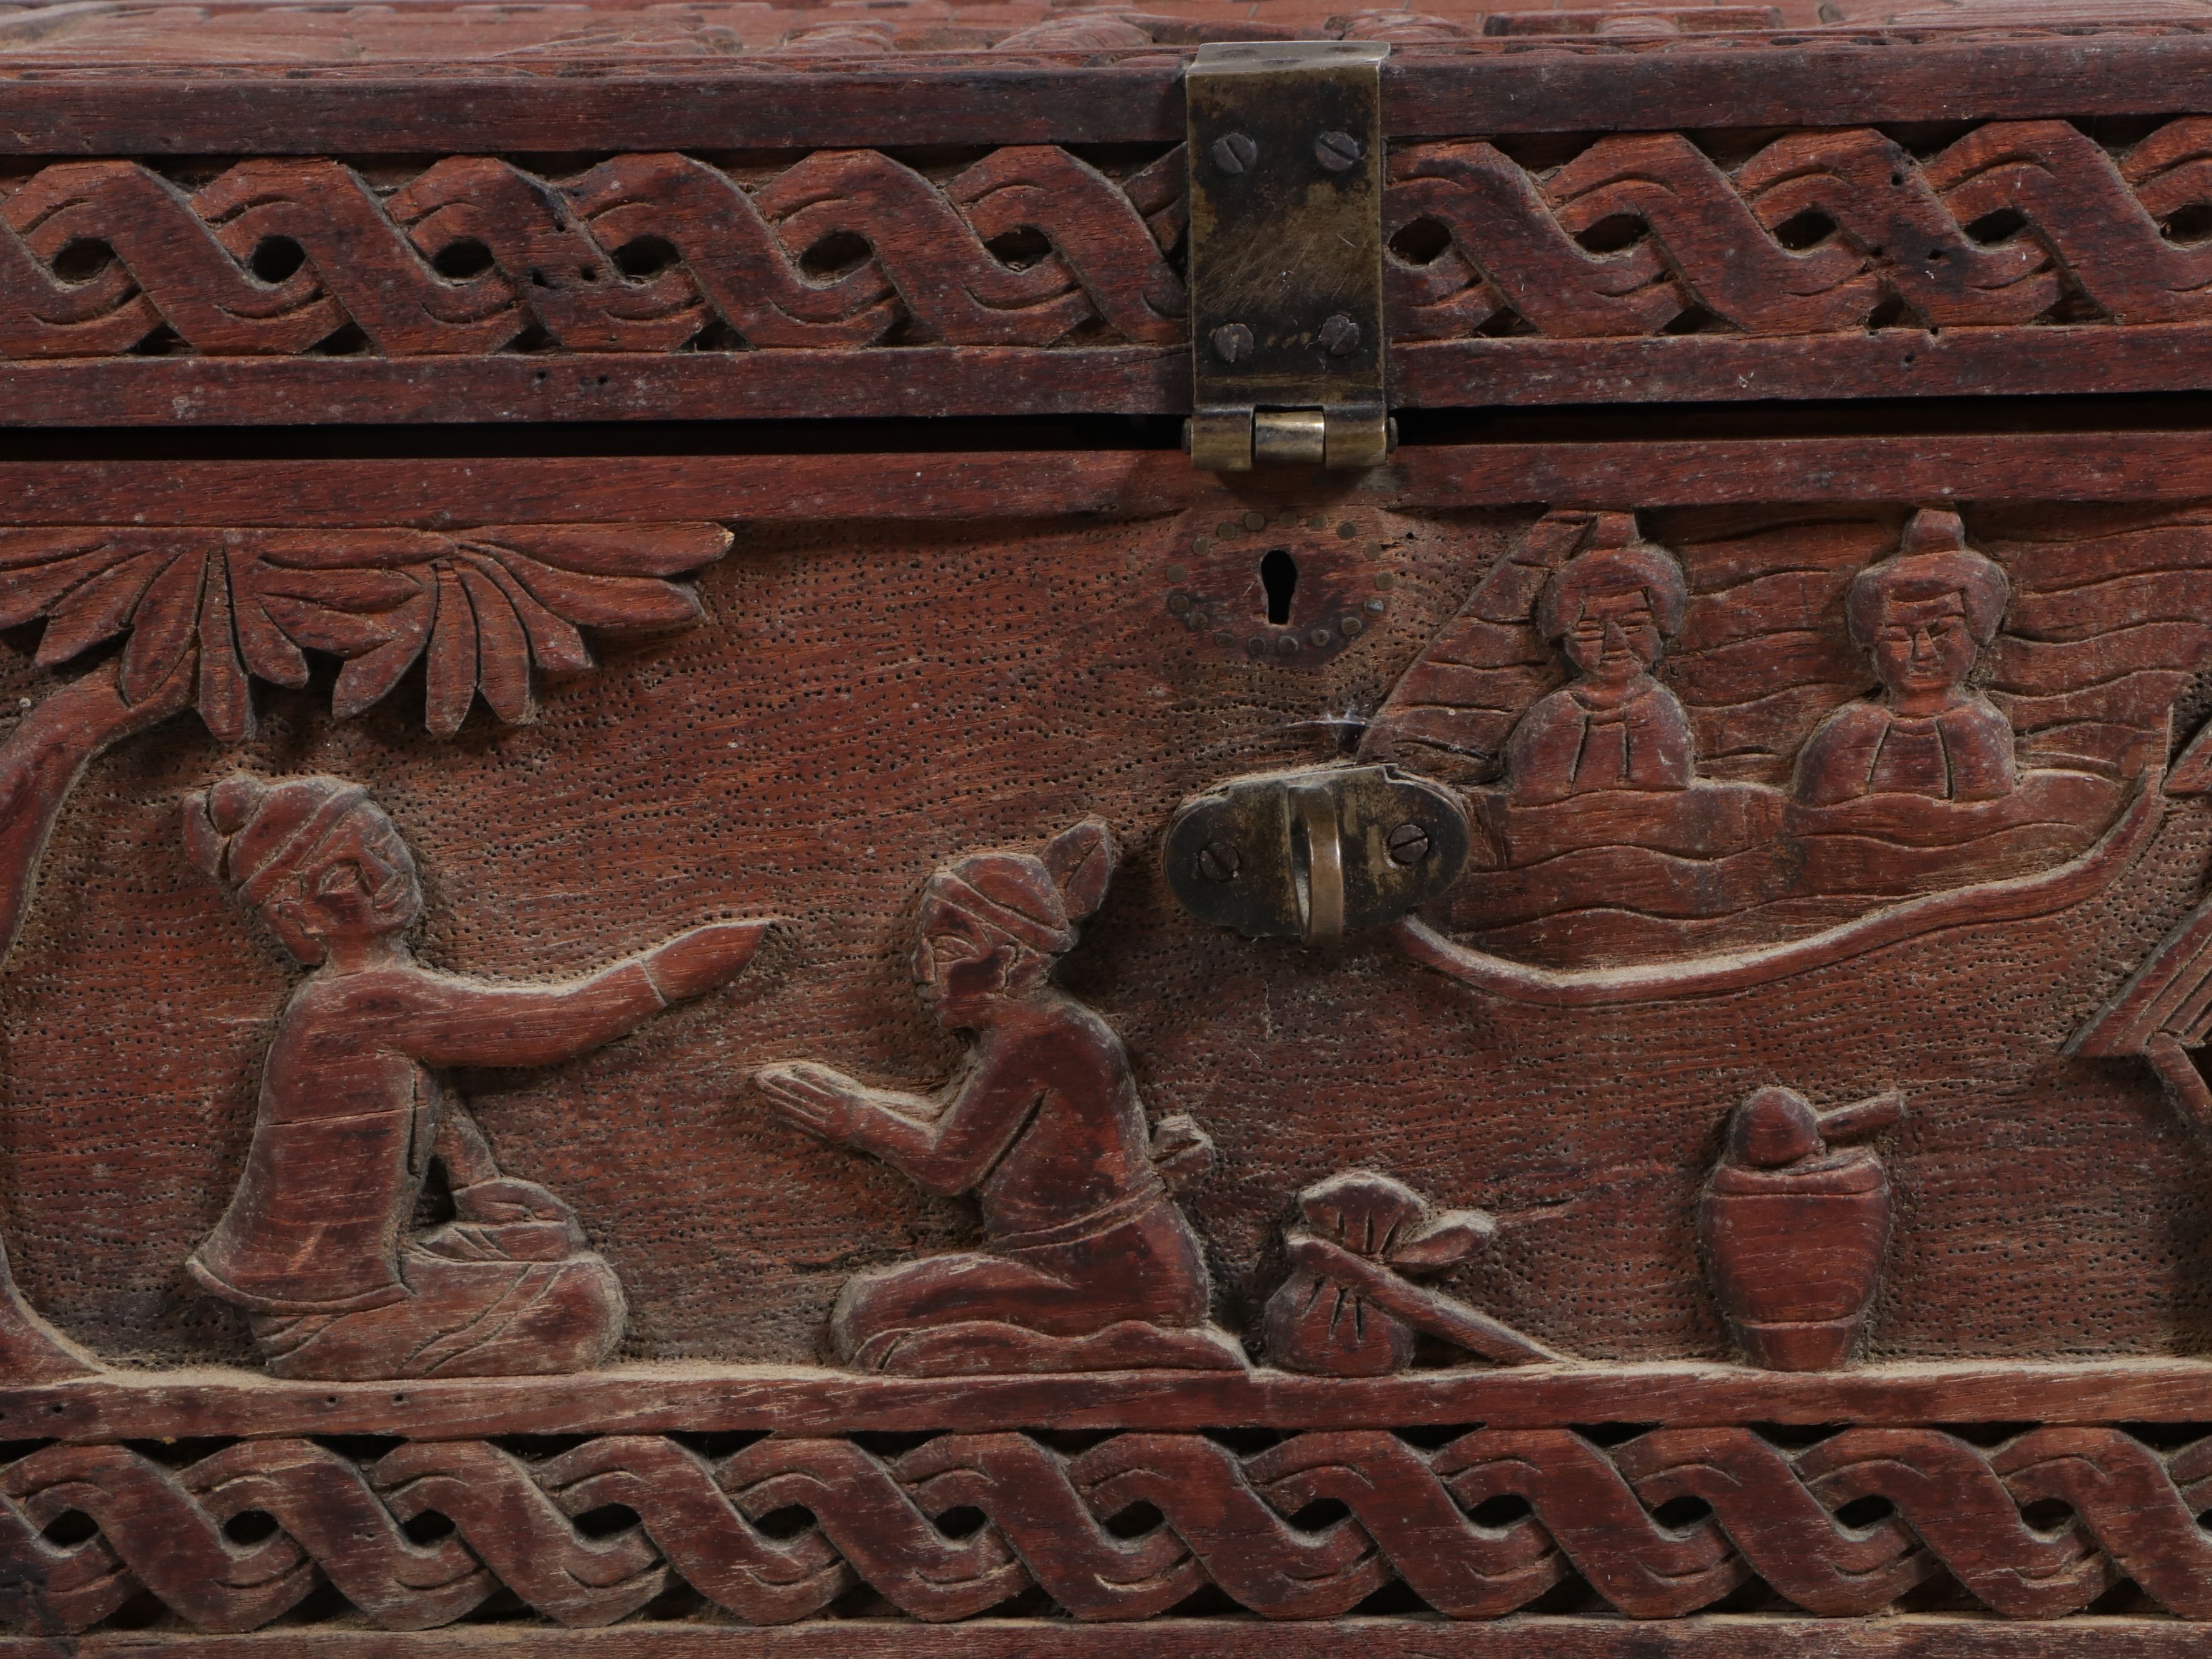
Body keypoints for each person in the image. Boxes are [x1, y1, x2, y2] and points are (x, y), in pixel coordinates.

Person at [182, 772, 764, 1379]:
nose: (382, 876)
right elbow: (552, 1026)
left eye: (382, 845)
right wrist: (666, 975)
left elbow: (429, 1095)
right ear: (298, 918)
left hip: (367, 1286)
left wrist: (475, 1184)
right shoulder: (357, 999)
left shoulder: (369, 995)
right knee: (581, 1303)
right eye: (342, 876)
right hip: (324, 1318)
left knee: (550, 1243)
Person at [756, 819, 1236, 1376]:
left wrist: (857, 1118)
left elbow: (948, 1163)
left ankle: (1114, 1350)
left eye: (950, 950)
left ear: (1015, 963)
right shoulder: (1028, 1033)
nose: (922, 972)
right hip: (1084, 1267)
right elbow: (950, 1120)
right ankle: (1090, 1348)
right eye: (924, 950)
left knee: (873, 1311)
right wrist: (859, 1101)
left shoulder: (1044, 1037)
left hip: (1112, 1277)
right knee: (875, 1314)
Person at [1793, 509, 2016, 805]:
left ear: (1980, 631)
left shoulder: (1980, 728)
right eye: (1898, 635)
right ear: (1870, 642)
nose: (1923, 652)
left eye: (1942, 630)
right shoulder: (1849, 734)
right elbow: (1816, 823)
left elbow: (1995, 820)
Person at [1506, 514, 1696, 803]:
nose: (1615, 643)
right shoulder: (1555, 716)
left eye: (1633, 626)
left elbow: (1670, 801)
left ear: (1662, 627)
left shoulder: (1660, 711)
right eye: (1589, 629)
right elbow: (1531, 800)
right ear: (1564, 636)